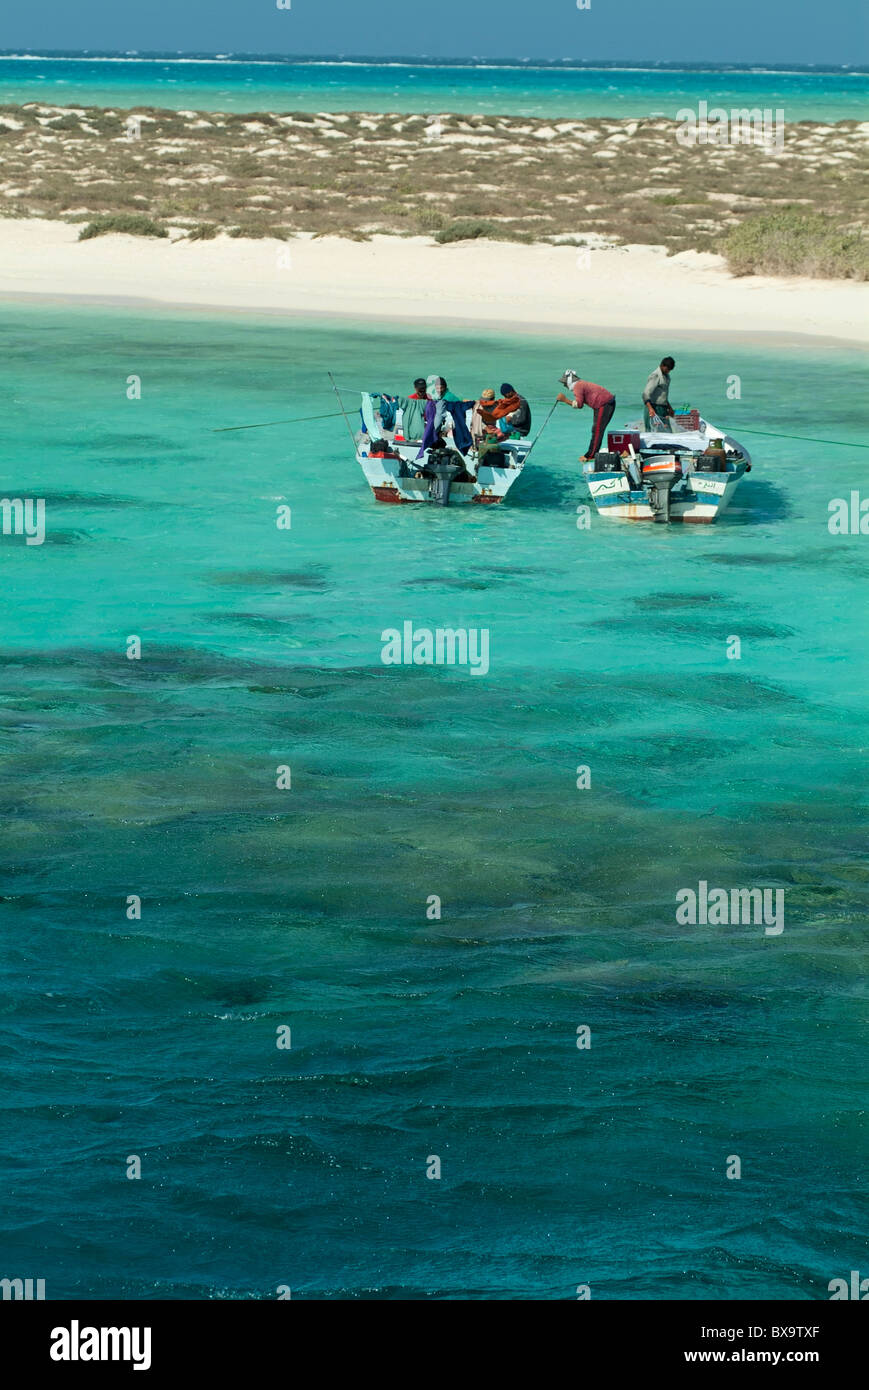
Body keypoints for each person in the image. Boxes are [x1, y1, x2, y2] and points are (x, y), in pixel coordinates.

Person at [555, 370, 616, 462]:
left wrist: (564, 400)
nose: (564, 386)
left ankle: (591, 455)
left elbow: (579, 405)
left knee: (597, 430)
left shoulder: (577, 386)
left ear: (569, 381)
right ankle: (592, 453)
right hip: (603, 405)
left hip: (604, 404)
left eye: (565, 383)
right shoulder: (580, 384)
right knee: (596, 430)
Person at [642, 357, 676, 428]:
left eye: (670, 370)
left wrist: (670, 408)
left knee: (666, 432)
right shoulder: (655, 376)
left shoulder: (666, 377)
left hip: (663, 409)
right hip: (653, 408)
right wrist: (650, 409)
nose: (668, 371)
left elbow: (662, 396)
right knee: (653, 433)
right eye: (667, 369)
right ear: (662, 365)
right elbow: (645, 394)